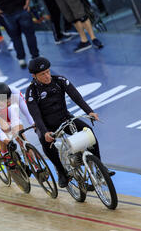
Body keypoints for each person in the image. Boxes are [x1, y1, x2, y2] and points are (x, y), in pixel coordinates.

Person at [25, 57, 114, 188]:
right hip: (46, 125)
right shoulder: (32, 91)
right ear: (34, 76)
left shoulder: (59, 80)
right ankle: (62, 172)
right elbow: (36, 116)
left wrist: (90, 111)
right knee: (45, 143)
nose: (47, 76)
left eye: (48, 72)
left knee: (88, 131)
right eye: (42, 74)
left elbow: (76, 96)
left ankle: (100, 168)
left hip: (64, 118)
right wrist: (44, 132)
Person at [0, 82, 36, 172]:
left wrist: (34, 124)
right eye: (4, 100)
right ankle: (5, 154)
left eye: (8, 99)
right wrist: (6, 139)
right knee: (4, 131)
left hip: (6, 110)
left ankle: (36, 167)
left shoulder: (15, 92)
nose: (8, 101)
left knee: (21, 136)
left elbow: (27, 112)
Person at [0, 0, 40, 68]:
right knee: (30, 35)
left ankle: (21, 59)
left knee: (15, 37)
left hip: (8, 13)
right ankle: (35, 56)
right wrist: (28, 0)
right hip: (22, 8)